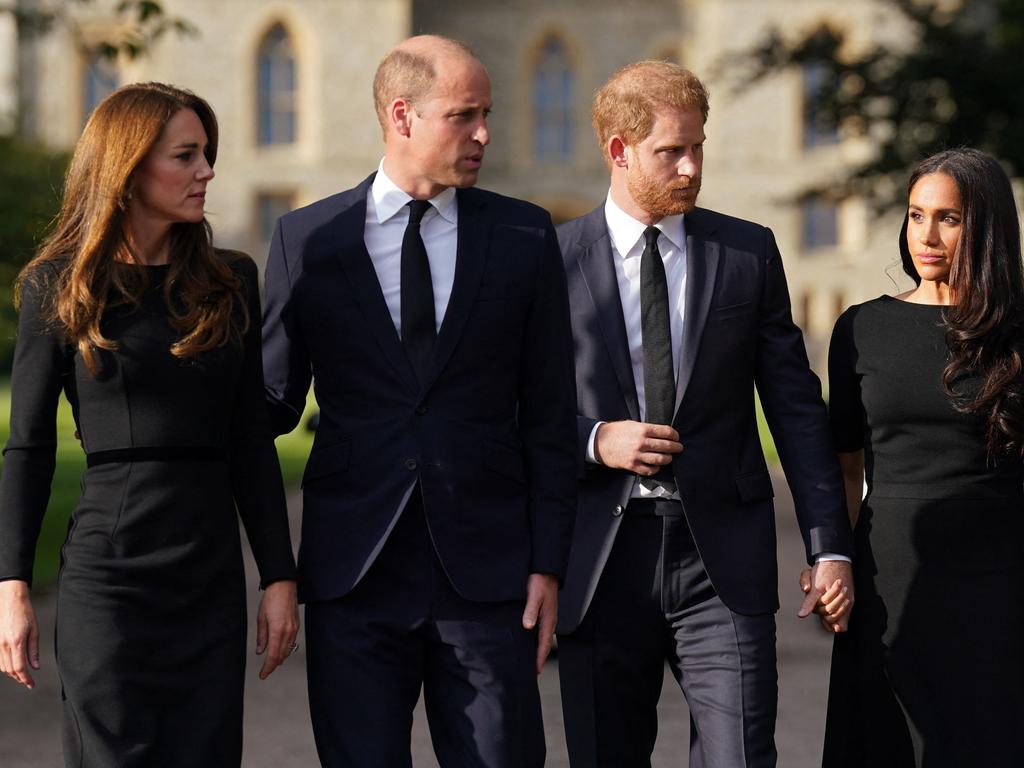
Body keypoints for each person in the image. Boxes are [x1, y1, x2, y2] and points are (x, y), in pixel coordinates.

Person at [261, 35, 577, 767]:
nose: (485, 135)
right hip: (353, 576)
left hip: (489, 579)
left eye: (486, 114)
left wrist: (549, 565)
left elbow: (551, 416)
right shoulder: (307, 241)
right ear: (402, 117)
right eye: (464, 115)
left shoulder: (526, 235)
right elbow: (269, 406)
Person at [555, 60, 855, 768]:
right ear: (618, 150)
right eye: (670, 152)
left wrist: (828, 544)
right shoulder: (551, 260)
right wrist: (596, 440)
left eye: (698, 148)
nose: (690, 168)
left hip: (721, 563)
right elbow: (508, 412)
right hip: (601, 560)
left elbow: (795, 408)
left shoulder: (746, 253)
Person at [0, 82, 299, 767]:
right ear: (130, 168)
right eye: (187, 155)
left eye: (207, 154)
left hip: (209, 579)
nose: (207, 172)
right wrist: (11, 587)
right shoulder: (60, 284)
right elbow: (30, 448)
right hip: (109, 582)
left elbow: (251, 441)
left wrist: (279, 576)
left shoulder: (230, 282)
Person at [818, 148, 1024, 767]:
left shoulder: (1017, 331)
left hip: (1001, 579)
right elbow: (845, 463)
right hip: (890, 577)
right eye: (915, 215)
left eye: (949, 219)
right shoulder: (861, 328)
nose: (926, 236)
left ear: (985, 226)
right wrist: (835, 557)